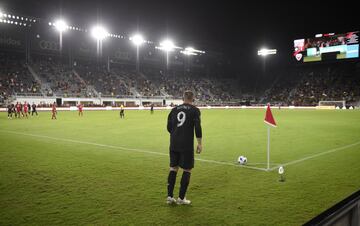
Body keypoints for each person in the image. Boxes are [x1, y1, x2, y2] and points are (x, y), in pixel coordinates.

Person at [166, 90, 202, 205]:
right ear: (193, 98)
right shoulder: (195, 110)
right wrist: (199, 143)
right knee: (187, 169)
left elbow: (168, 127)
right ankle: (181, 198)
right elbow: (197, 127)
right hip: (186, 144)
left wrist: (176, 133)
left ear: (183, 98)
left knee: (173, 168)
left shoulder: (174, 110)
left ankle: (170, 197)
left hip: (174, 143)